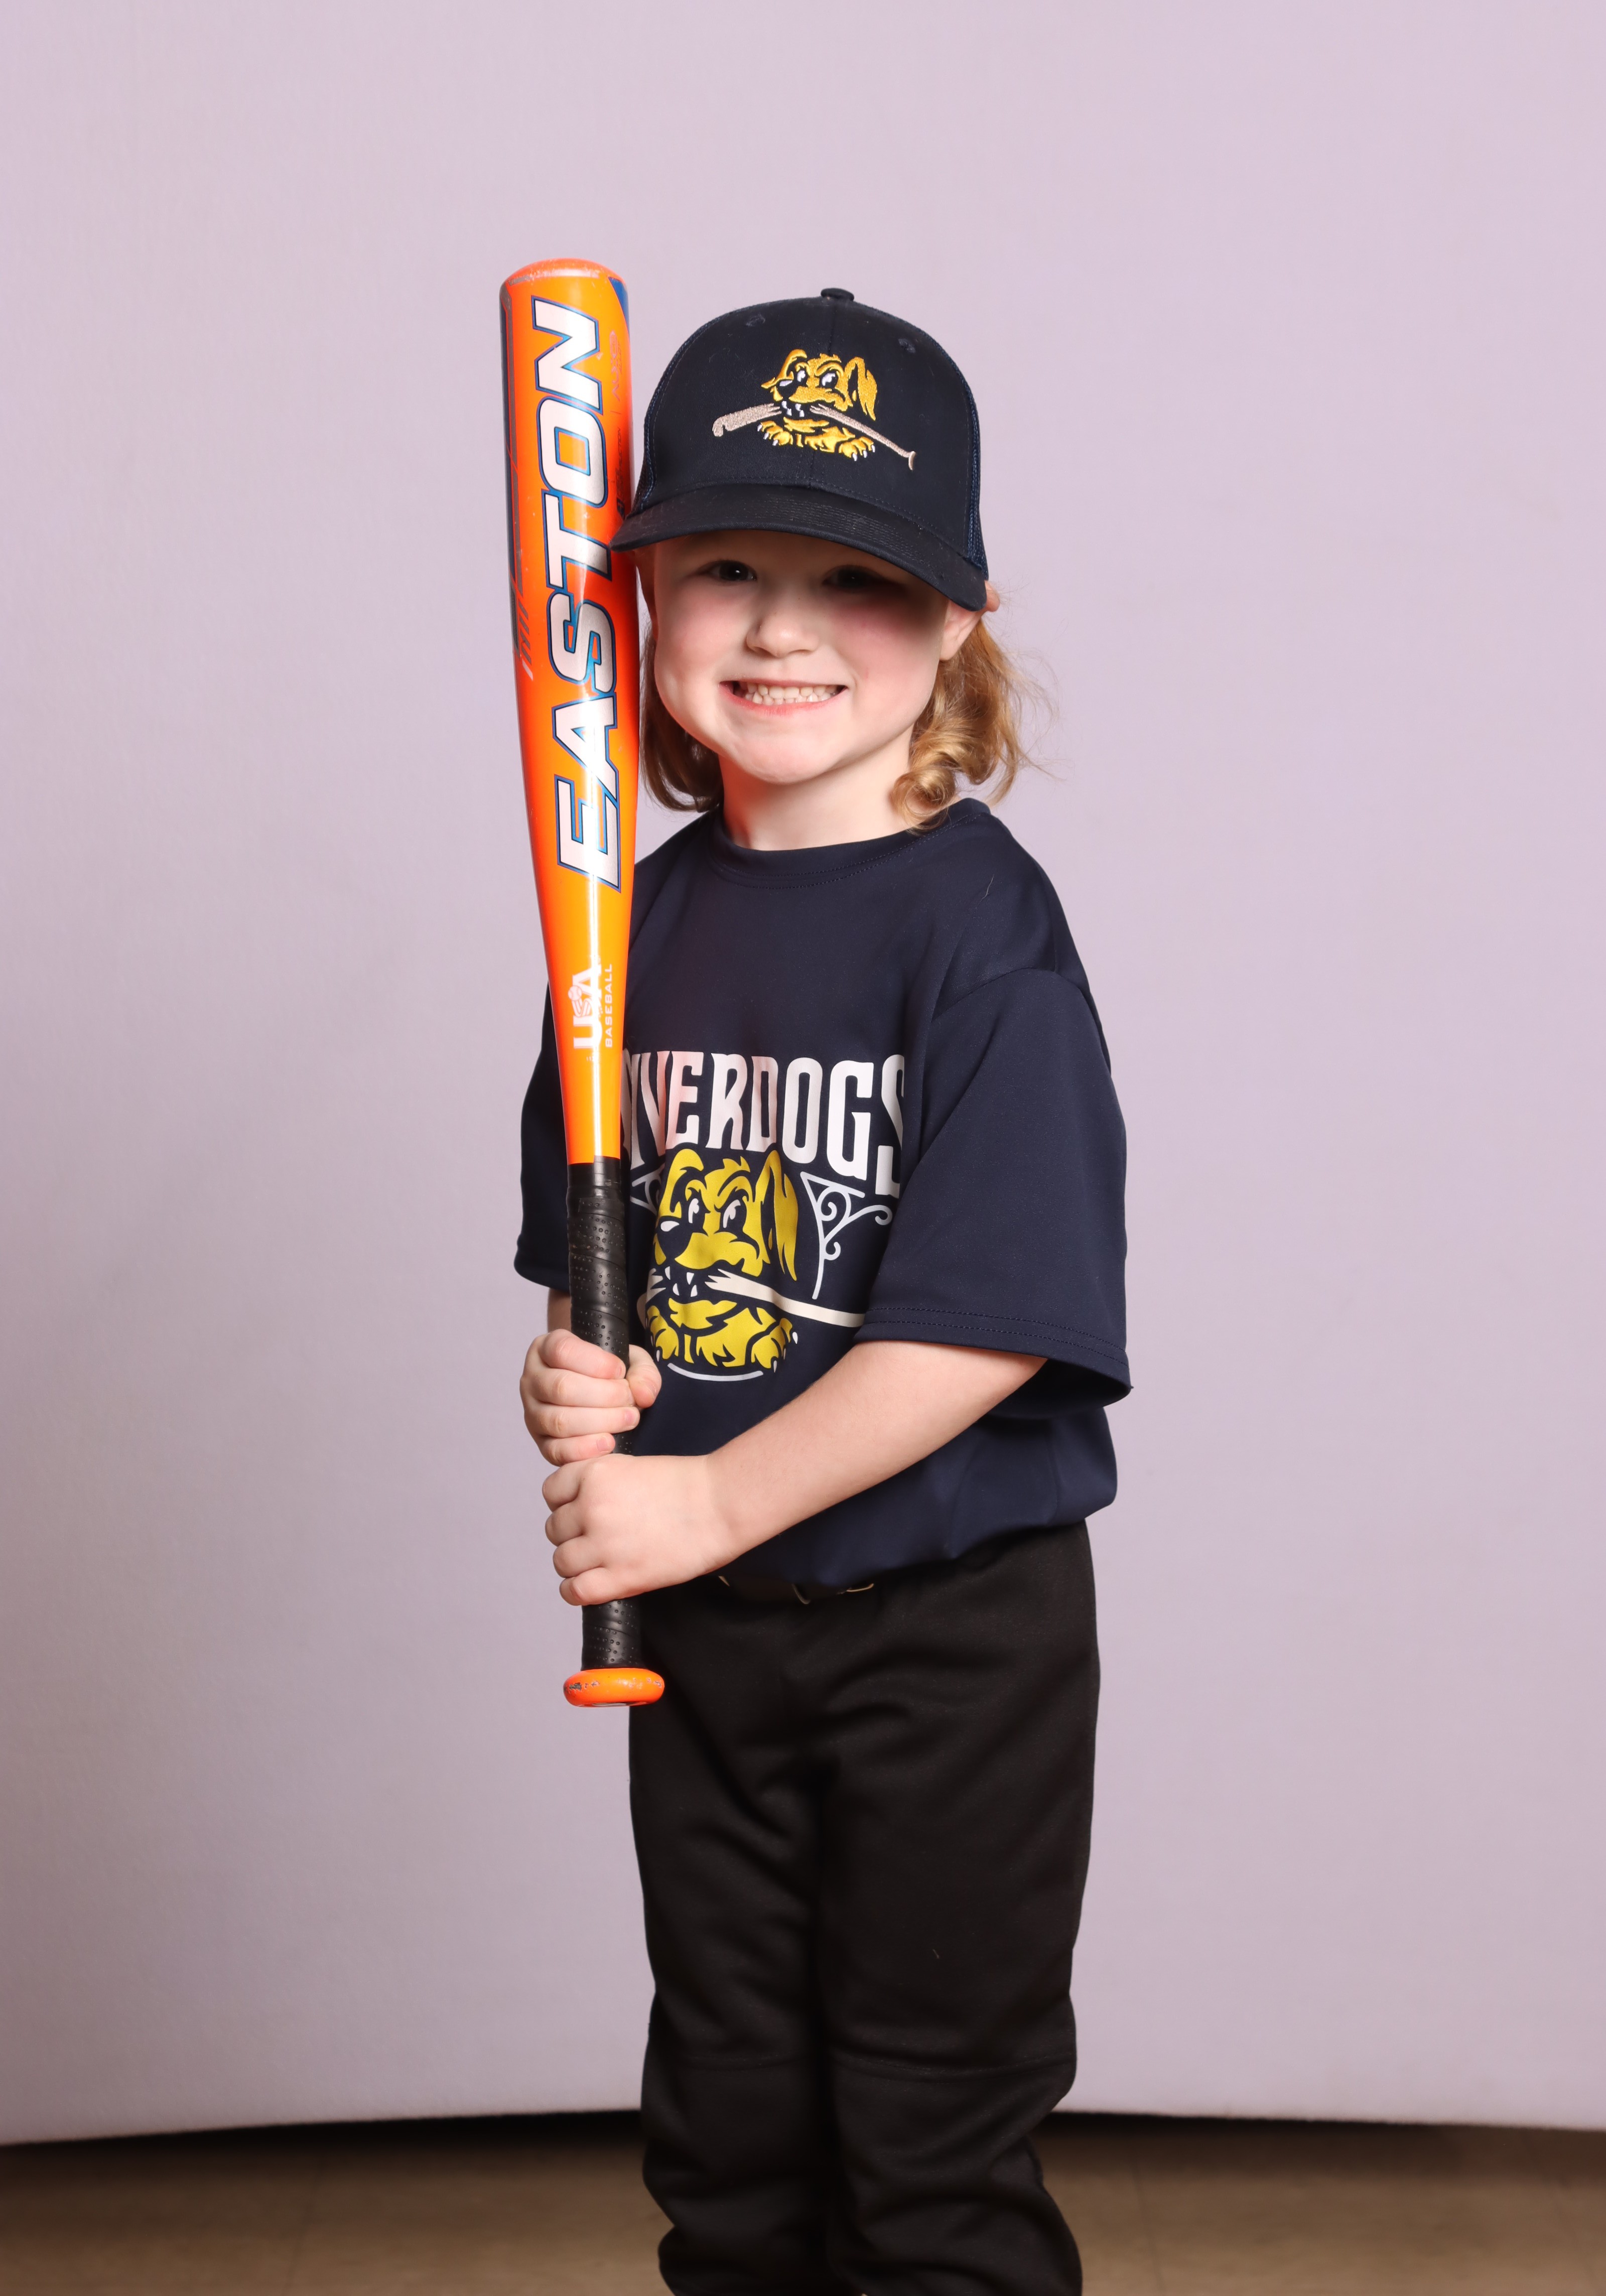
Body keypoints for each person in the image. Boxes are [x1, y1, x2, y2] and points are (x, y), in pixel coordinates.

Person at [515, 289, 1128, 2296]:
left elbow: (986, 1324)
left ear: (954, 620)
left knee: (925, 2151)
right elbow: (611, 1263)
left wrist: (700, 1496)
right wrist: (579, 1385)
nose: (781, 628)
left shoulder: (982, 939)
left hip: (945, 1641)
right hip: (708, 1645)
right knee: (729, 2137)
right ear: (640, 601)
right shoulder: (630, 925)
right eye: (726, 569)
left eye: (853, 577)